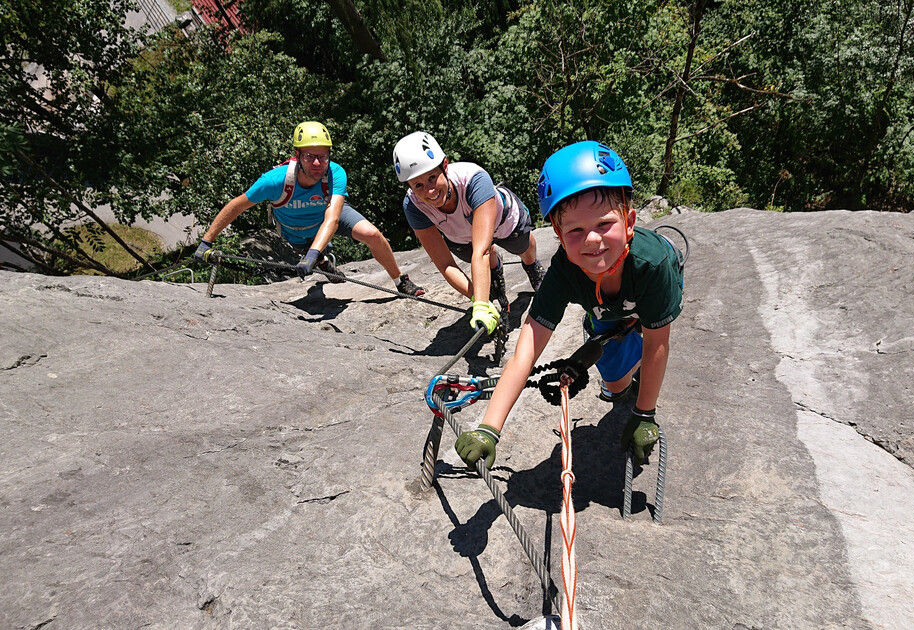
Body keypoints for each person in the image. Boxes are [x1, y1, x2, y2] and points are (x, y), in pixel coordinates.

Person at [454, 141, 684, 471]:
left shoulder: (653, 265)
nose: (592, 239)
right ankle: (619, 341)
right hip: (608, 309)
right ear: (560, 237)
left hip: (647, 290)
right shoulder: (564, 271)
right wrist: (488, 429)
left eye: (604, 224)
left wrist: (645, 413)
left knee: (644, 334)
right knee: (616, 386)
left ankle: (625, 333)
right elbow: (526, 352)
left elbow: (658, 343)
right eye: (576, 230)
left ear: (630, 222)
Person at [195, 121, 425, 297]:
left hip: (327, 217)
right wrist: (207, 241)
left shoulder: (335, 173)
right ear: (297, 155)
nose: (317, 163)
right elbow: (237, 206)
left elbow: (333, 219)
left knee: (372, 234)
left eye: (322, 157)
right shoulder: (274, 181)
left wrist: (312, 254)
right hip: (296, 231)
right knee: (312, 253)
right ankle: (321, 261)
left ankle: (400, 281)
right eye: (309, 156)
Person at [392, 131, 546, 335]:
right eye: (418, 185)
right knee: (484, 261)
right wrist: (478, 299)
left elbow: (481, 252)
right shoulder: (413, 206)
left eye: (432, 178)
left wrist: (480, 305)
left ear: (445, 166)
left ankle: (531, 264)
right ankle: (494, 269)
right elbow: (445, 264)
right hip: (462, 237)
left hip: (503, 219)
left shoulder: (474, 179)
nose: (429, 191)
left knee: (523, 248)